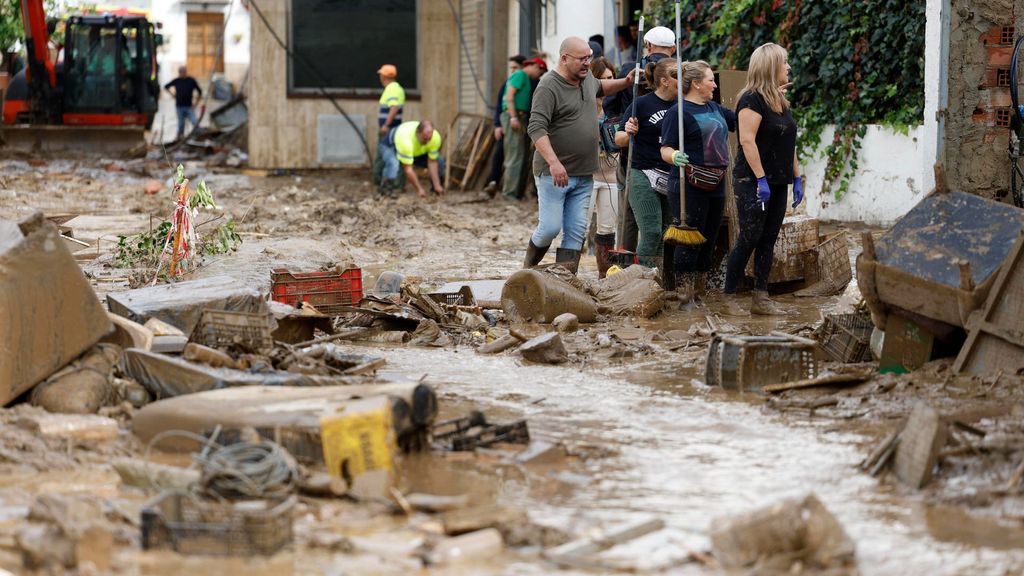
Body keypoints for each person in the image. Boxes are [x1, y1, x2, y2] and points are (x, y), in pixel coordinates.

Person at [523, 37, 635, 274]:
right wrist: (554, 163)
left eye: (589, 58)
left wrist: (626, 82)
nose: (587, 63)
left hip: (584, 174)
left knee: (576, 231)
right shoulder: (548, 86)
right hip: (555, 173)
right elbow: (535, 128)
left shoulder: (587, 81)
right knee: (550, 227)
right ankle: (527, 270)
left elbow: (602, 87)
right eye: (582, 59)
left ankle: (566, 284)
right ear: (564, 58)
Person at [723, 42, 802, 315]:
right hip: (752, 180)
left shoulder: (780, 101)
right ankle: (729, 295)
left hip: (779, 181)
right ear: (770, 67)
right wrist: (760, 180)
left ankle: (761, 296)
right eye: (784, 62)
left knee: (769, 238)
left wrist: (797, 177)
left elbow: (788, 142)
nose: (789, 67)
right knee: (750, 235)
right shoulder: (750, 99)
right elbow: (746, 140)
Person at [660, 60, 737, 302]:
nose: (715, 84)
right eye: (710, 80)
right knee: (689, 239)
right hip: (688, 184)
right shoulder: (677, 112)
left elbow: (742, 121)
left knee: (709, 239)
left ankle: (699, 292)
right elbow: (665, 148)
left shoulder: (715, 108)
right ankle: (685, 294)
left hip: (716, 181)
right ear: (696, 83)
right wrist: (674, 156)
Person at [604, 25, 677, 256]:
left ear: (647, 46)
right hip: (666, 158)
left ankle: (626, 265)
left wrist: (627, 126)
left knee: (629, 216)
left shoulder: (630, 69)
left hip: (632, 153)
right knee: (661, 226)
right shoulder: (681, 74)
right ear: (673, 49)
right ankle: (655, 273)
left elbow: (609, 109)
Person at [614, 58, 678, 270]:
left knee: (664, 233)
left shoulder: (683, 105)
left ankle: (654, 280)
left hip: (671, 174)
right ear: (664, 81)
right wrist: (629, 131)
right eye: (677, 75)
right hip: (642, 171)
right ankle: (637, 281)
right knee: (650, 231)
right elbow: (619, 139)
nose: (683, 79)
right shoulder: (641, 104)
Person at [587, 57, 620, 277]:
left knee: (608, 230)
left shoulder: (619, 106)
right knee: (577, 229)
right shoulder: (583, 106)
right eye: (604, 79)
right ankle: (566, 279)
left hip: (611, 176)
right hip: (586, 177)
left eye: (612, 78)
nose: (609, 83)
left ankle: (603, 276)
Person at [500, 57, 547, 201]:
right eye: (540, 72)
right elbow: (509, 96)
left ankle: (514, 193)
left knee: (519, 155)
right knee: (514, 156)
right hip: (513, 116)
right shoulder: (520, 75)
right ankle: (509, 194)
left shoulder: (524, 77)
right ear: (535, 66)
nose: (539, 76)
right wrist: (513, 117)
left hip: (518, 116)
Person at [485, 55, 526, 197]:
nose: (513, 71)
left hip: (516, 119)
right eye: (511, 68)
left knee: (513, 155)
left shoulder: (522, 79)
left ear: (522, 67)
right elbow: (500, 104)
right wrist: (497, 124)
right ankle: (495, 183)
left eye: (515, 67)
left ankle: (507, 188)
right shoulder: (510, 81)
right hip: (508, 120)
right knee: (501, 153)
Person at [380, 120, 445, 199]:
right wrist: (419, 189)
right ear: (417, 133)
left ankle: (436, 190)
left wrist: (437, 185)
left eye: (429, 139)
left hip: (416, 151)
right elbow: (408, 169)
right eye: (425, 139)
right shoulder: (406, 141)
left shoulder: (435, 138)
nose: (428, 142)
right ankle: (386, 190)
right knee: (393, 164)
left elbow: (432, 162)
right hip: (391, 146)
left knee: (440, 161)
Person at [374, 64, 406, 195]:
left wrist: (386, 125)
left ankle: (390, 184)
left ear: (385, 76)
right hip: (393, 128)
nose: (380, 77)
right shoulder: (395, 88)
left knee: (385, 157)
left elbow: (394, 108)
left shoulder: (392, 89)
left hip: (390, 129)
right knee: (391, 157)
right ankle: (392, 184)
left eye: (381, 74)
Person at [164, 66, 202, 141]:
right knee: (181, 124)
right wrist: (172, 94)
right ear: (179, 72)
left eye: (184, 72)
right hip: (179, 106)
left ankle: (198, 136)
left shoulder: (191, 80)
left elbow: (200, 92)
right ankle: (180, 138)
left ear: (186, 72)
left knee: (194, 121)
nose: (183, 73)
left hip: (189, 106)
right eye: (181, 72)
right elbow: (166, 86)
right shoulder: (176, 81)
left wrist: (196, 103)